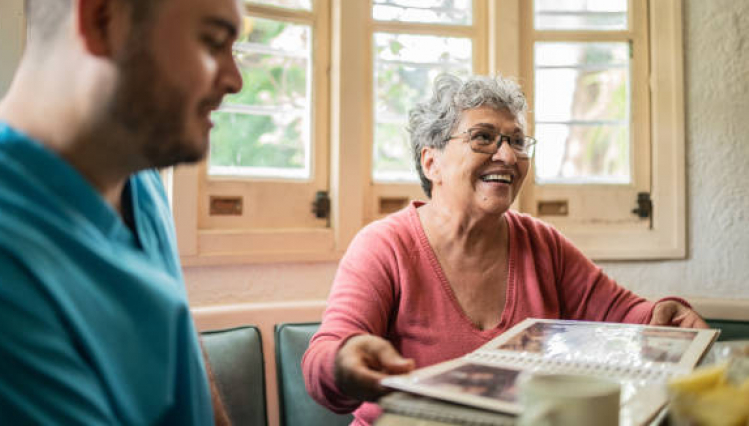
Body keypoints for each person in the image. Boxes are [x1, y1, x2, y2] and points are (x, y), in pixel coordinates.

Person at [0, 0, 243, 425]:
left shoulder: (138, 174)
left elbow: (178, 354)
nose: (234, 79)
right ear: (103, 18)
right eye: (212, 41)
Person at [302, 74, 706, 426]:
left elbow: (623, 316)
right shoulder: (385, 246)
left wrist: (662, 317)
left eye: (516, 140)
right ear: (431, 163)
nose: (508, 155)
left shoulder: (542, 243)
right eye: (483, 137)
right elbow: (324, 359)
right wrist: (344, 358)